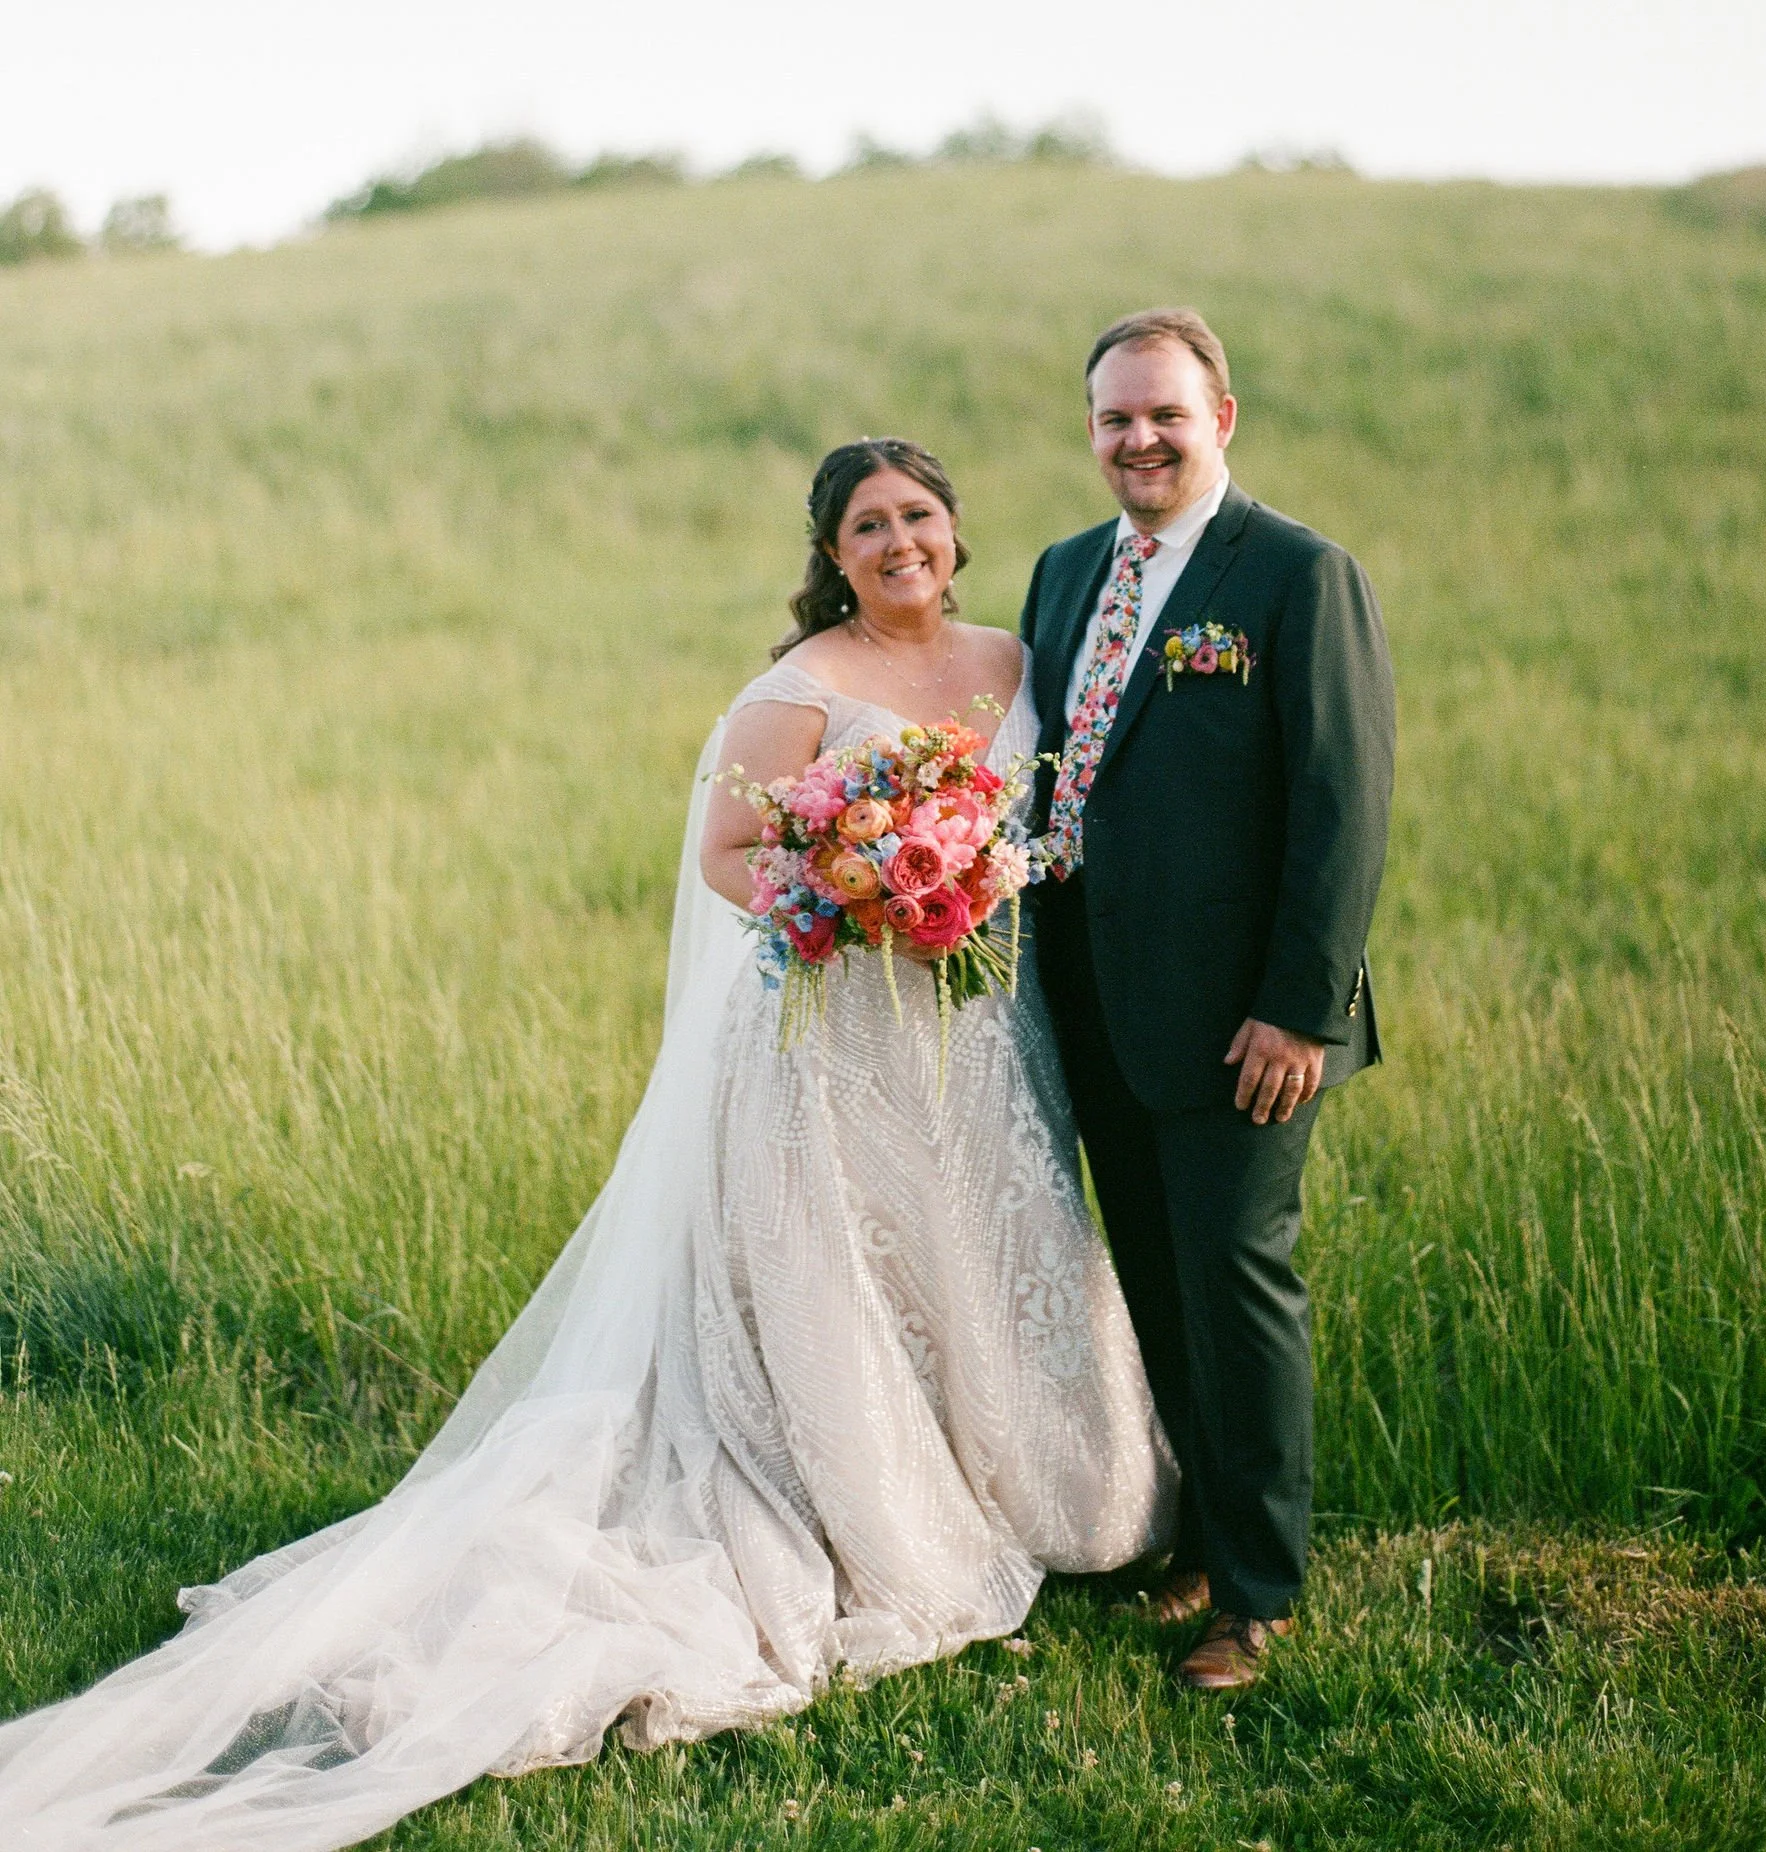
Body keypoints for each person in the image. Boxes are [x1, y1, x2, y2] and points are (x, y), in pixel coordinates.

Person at [0, 438, 1170, 1852]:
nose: (898, 541)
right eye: (867, 526)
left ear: (956, 528)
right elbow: (731, 859)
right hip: (832, 1044)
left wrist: (966, 880)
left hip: (978, 1036)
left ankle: (1040, 1485)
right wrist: (866, 889)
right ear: (831, 552)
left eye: (917, 514)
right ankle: (875, 1513)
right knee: (852, 1284)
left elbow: (1043, 818)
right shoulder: (793, 692)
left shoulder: (1012, 654)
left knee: (980, 1252)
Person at [1019, 309, 1396, 1693]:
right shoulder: (1064, 576)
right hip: (1099, 1008)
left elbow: (1339, 802)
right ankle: (1193, 1543)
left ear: (1221, 417)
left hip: (1249, 1026)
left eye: (1165, 415)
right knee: (1159, 1290)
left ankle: (1260, 1594)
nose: (1140, 439)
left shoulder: (1297, 574)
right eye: (1116, 418)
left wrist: (1299, 1008)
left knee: (1239, 1291)